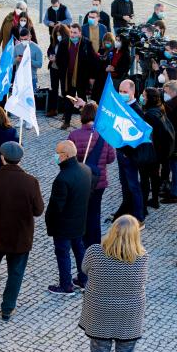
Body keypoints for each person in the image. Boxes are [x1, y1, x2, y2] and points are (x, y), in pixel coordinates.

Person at [0, 141, 44, 321]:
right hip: (20, 238)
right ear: (20, 159)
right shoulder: (31, 182)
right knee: (16, 273)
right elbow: (38, 210)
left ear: (2, 158)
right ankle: (8, 307)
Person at [79, 215, 147, 352]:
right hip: (129, 316)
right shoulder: (142, 257)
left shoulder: (95, 252)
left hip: (100, 313)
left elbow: (84, 269)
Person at [46, 140, 92, 295]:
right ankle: (84, 279)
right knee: (79, 249)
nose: (55, 155)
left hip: (63, 226)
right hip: (79, 222)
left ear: (64, 156)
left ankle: (66, 286)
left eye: (57, 153)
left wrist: (49, 224)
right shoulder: (86, 170)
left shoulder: (62, 178)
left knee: (63, 253)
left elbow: (55, 207)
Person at [68, 102, 115, 249]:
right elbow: (111, 158)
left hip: (80, 182)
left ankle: (79, 240)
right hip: (99, 182)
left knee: (80, 211)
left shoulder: (74, 135)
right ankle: (94, 243)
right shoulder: (104, 135)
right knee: (95, 212)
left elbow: (69, 159)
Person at [112, 79, 146, 225]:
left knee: (133, 185)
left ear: (133, 92)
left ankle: (139, 216)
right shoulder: (121, 106)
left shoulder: (136, 110)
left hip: (130, 155)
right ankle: (127, 210)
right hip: (121, 151)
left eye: (125, 92)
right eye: (120, 91)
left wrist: (128, 151)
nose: (122, 94)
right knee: (124, 183)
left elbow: (137, 135)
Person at [140, 88, 175, 210]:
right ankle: (155, 200)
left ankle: (143, 205)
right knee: (154, 177)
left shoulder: (150, 115)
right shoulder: (160, 109)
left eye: (144, 96)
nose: (142, 98)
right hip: (158, 152)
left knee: (144, 178)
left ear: (149, 98)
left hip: (150, 151)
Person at [57, 23, 96, 129]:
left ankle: (86, 122)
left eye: (75, 32)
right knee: (69, 99)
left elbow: (92, 60)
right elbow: (59, 59)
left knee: (83, 100)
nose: (72, 35)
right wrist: (62, 73)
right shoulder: (64, 43)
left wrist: (91, 76)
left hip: (82, 78)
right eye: (71, 32)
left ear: (80, 33)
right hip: (68, 77)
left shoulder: (86, 43)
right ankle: (67, 121)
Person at [46, 24, 70, 117]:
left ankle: (65, 111)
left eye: (59, 34)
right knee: (54, 89)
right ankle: (53, 109)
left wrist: (57, 58)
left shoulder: (68, 42)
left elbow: (67, 57)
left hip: (63, 69)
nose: (58, 36)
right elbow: (49, 50)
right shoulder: (54, 40)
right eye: (56, 34)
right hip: (54, 68)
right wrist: (50, 55)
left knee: (65, 90)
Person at [13, 28, 43, 92]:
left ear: (30, 37)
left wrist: (29, 61)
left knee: (32, 99)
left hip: (31, 78)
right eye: (22, 39)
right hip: (19, 78)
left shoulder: (37, 48)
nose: (23, 41)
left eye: (25, 39)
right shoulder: (16, 47)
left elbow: (40, 64)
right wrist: (16, 59)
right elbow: (10, 63)